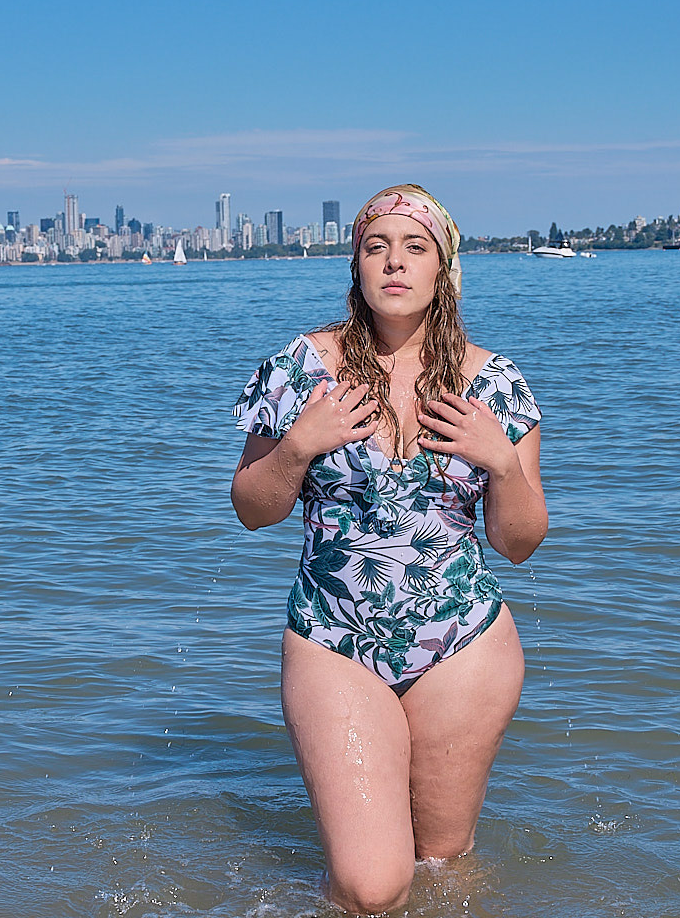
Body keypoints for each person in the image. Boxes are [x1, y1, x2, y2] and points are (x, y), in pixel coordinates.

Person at [231, 184, 547, 915]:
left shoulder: (495, 384)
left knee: (443, 866)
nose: (395, 263)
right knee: (371, 884)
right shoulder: (302, 368)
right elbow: (252, 510)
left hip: (464, 645)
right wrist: (298, 447)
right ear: (357, 266)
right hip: (334, 639)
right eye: (377, 247)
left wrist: (502, 464)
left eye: (415, 247)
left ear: (444, 268)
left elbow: (519, 543)